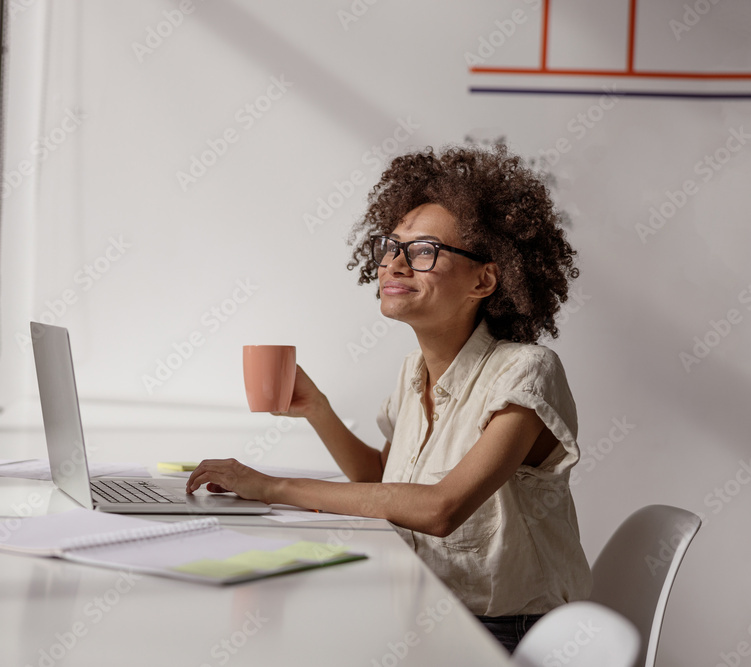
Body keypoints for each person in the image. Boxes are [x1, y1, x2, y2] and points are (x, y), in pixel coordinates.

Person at [186, 143, 592, 653]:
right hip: (426, 607)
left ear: (484, 279)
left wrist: (270, 486)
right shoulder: (412, 373)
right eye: (391, 247)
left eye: (424, 251)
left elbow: (440, 509)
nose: (394, 264)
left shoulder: (527, 372)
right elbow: (384, 484)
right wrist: (318, 409)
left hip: (508, 635)